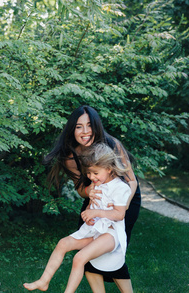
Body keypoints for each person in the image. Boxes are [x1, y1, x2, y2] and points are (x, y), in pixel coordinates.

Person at [44, 105, 141, 293]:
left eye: (89, 125)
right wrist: (92, 194)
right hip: (96, 198)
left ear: (96, 126)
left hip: (124, 198)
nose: (85, 131)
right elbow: (81, 190)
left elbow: (132, 182)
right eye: (79, 126)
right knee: (87, 250)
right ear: (73, 130)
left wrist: (118, 210)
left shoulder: (112, 145)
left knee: (113, 251)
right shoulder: (71, 155)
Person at [24, 143, 132, 292]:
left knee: (79, 258)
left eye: (95, 173)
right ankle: (44, 281)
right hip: (94, 230)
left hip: (111, 233)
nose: (91, 177)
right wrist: (88, 213)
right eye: (88, 173)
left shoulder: (120, 188)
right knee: (63, 244)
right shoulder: (97, 183)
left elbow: (119, 214)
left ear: (108, 168)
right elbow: (91, 208)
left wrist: (96, 213)